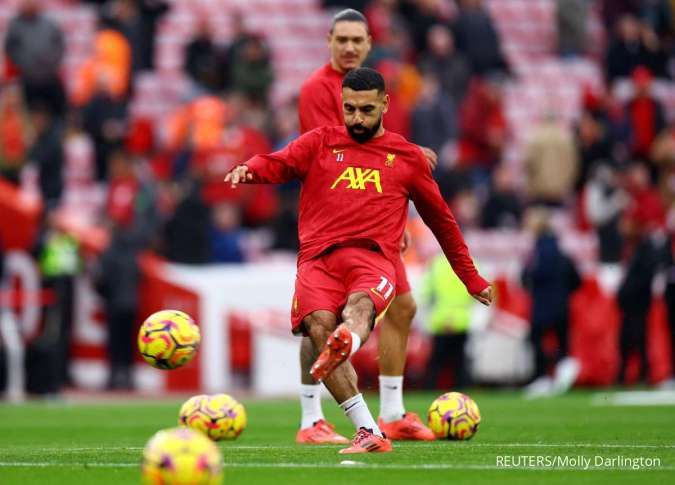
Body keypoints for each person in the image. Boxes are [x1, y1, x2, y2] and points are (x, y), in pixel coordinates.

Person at [225, 67, 492, 453]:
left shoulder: (406, 157)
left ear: (384, 104)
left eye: (366, 110)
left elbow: (444, 223)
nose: (357, 118)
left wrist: (472, 279)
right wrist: (248, 170)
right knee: (318, 328)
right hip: (317, 259)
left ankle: (347, 339)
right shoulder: (320, 143)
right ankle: (369, 430)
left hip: (372, 259)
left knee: (360, 306)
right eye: (349, 109)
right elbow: (279, 162)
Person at [294, 9, 438, 444]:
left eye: (358, 39)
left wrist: (393, 215)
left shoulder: (369, 84)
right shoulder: (318, 90)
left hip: (369, 222)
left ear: (370, 43)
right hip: (330, 221)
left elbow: (378, 155)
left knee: (403, 306)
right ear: (329, 41)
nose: (350, 47)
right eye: (342, 40)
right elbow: (339, 152)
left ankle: (391, 411)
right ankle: (310, 418)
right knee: (320, 320)